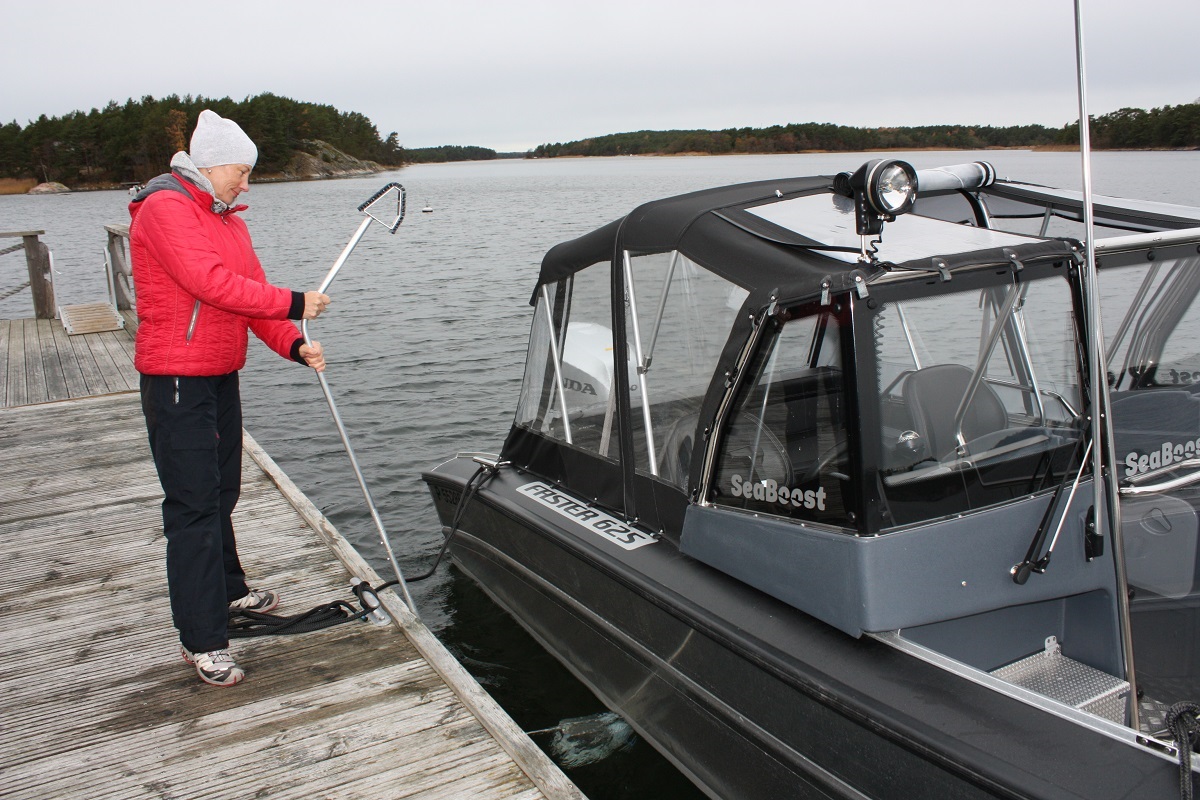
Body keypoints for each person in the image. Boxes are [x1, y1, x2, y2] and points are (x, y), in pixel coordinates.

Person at [129, 109, 330, 686]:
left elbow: (251, 297)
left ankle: (230, 591)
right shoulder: (166, 208)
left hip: (220, 373)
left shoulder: (229, 219)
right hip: (176, 378)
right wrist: (295, 302)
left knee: (223, 490)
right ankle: (202, 639)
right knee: (192, 505)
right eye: (241, 171)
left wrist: (294, 343)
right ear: (211, 164)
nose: (247, 184)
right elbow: (207, 284)